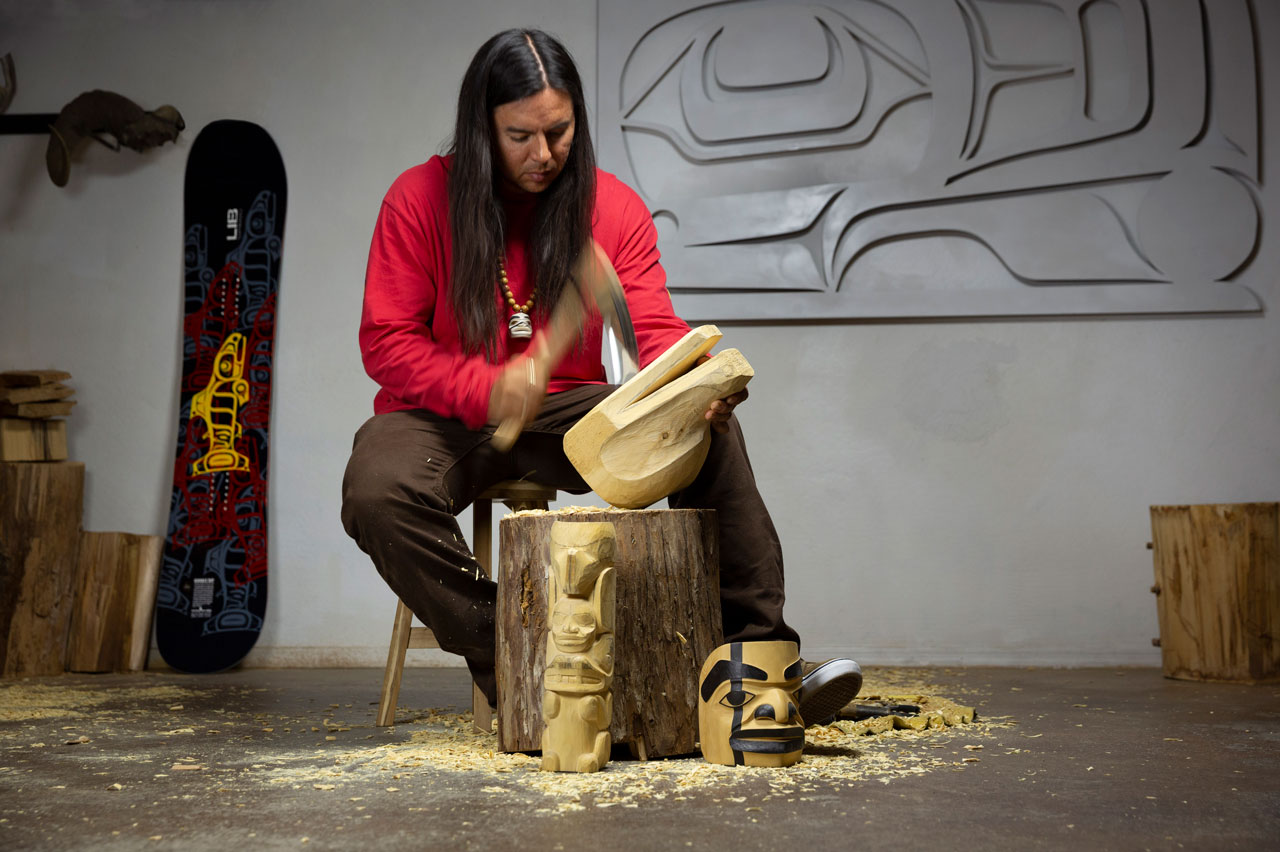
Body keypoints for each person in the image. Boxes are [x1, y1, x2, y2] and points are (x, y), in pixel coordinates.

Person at [340, 28, 861, 725]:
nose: (544, 154)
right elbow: (388, 343)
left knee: (713, 439)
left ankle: (757, 671)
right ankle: (523, 652)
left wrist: (695, 385)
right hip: (444, 414)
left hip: (574, 415)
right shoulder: (418, 199)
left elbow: (651, 329)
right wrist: (489, 389)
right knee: (375, 490)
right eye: (519, 135)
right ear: (482, 127)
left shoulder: (611, 206)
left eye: (558, 132)